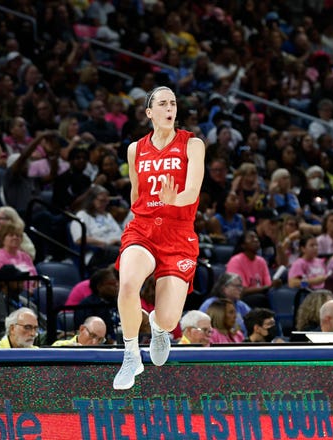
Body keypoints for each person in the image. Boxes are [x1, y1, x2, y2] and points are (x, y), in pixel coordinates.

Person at [113, 86, 205, 390]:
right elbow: (136, 193)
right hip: (144, 227)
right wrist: (149, 208)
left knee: (167, 319)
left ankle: (157, 327)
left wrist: (173, 199)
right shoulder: (134, 149)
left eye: (173, 103)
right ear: (150, 112)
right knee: (127, 285)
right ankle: (130, 355)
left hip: (179, 231)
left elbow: (192, 191)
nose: (170, 108)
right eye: (162, 103)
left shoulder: (193, 144)